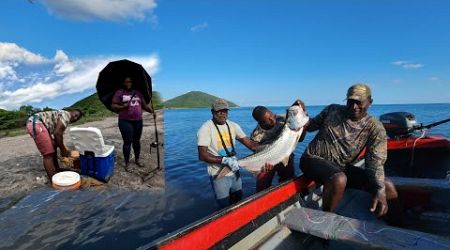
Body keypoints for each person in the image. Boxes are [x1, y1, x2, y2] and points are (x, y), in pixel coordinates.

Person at [300, 83, 398, 218]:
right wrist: (300, 113)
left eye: (359, 102)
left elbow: (375, 162)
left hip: (340, 167)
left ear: (370, 102)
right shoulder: (332, 110)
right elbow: (311, 126)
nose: (354, 107)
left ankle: (397, 224)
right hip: (312, 159)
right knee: (339, 179)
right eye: (350, 102)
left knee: (387, 186)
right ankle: (326, 220)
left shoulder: (375, 128)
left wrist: (379, 189)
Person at [197, 99, 260, 208]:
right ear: (212, 112)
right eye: (219, 111)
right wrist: (224, 160)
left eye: (225, 111)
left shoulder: (233, 126)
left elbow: (250, 144)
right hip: (218, 173)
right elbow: (202, 155)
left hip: (235, 170)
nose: (223, 114)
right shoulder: (206, 128)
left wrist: (269, 149)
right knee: (224, 206)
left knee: (238, 201)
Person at [26, 109, 83, 180]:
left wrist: (61, 148)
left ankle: (56, 169)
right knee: (48, 154)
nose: (75, 118)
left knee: (53, 145)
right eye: (75, 115)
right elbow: (57, 134)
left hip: (37, 123)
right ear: (71, 111)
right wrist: (63, 150)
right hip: (36, 123)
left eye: (77, 118)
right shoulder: (66, 116)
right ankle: (53, 180)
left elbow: (57, 137)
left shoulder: (63, 115)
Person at [111, 77, 154, 170]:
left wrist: (152, 112)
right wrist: (122, 106)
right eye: (126, 81)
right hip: (125, 121)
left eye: (130, 81)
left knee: (136, 141)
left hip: (138, 120)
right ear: (123, 83)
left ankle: (137, 160)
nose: (128, 83)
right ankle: (127, 163)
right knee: (127, 142)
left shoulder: (138, 93)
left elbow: (144, 106)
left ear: (132, 82)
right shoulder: (120, 92)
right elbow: (113, 105)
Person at [250, 106, 295, 191]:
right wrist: (264, 163)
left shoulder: (284, 119)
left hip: (285, 155)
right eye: (268, 119)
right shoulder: (256, 135)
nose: (272, 119)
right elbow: (257, 152)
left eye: (271, 115)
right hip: (268, 159)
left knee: (288, 179)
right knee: (262, 184)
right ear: (261, 123)